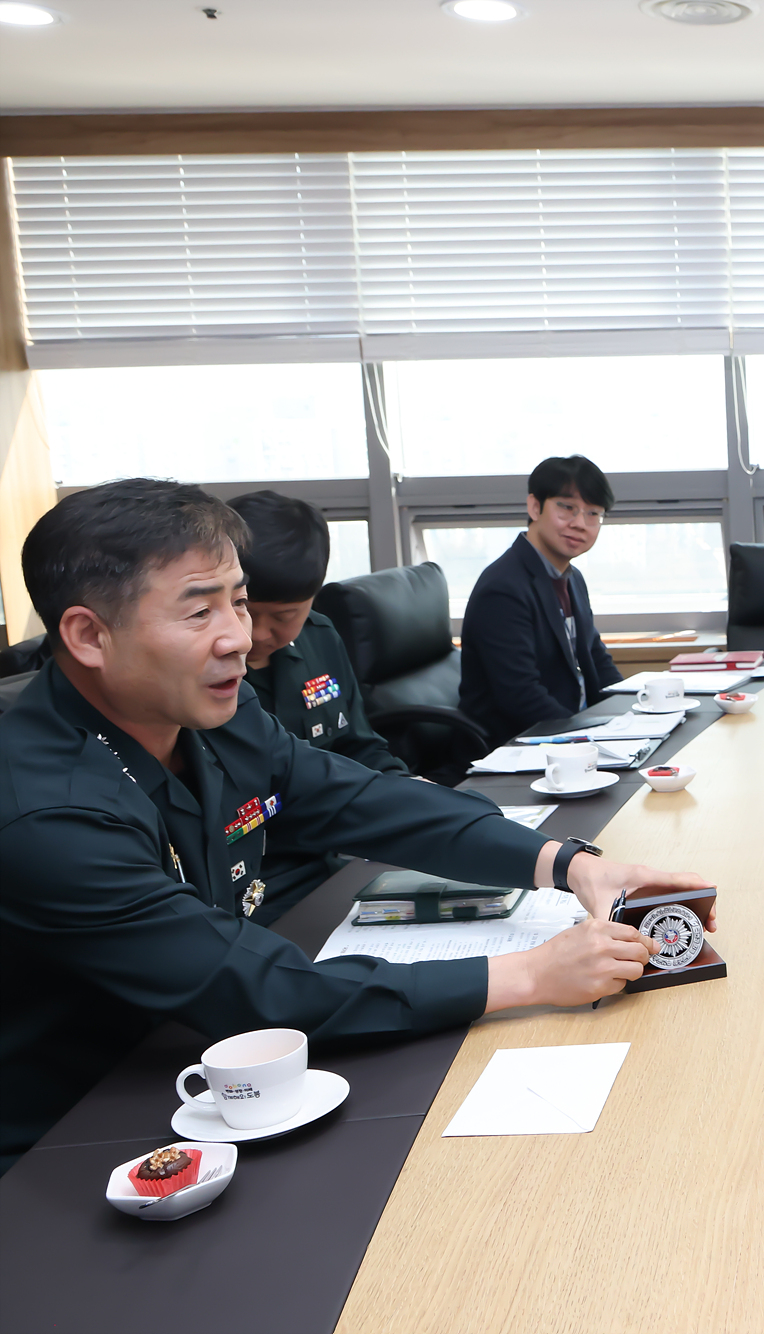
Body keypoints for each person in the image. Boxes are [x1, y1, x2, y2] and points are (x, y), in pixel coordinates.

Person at [0, 479, 714, 1176]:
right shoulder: (46, 812)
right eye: (198, 613)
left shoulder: (215, 710)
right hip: (75, 1137)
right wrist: (530, 973)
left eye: (239, 602)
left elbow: (362, 800)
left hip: (207, 1065)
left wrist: (570, 864)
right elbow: (256, 989)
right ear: (89, 635)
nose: (238, 640)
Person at [229, 490, 415, 920]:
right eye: (245, 609)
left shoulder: (319, 637)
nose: (257, 634)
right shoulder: (204, 668)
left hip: (336, 863)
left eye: (285, 615)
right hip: (258, 884)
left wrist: (405, 792)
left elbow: (358, 745)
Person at [459, 455, 625, 744]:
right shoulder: (503, 588)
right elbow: (520, 696)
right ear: (534, 507)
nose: (580, 524)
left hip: (570, 734)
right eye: (567, 508)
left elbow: (597, 659)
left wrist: (633, 715)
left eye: (593, 514)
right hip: (519, 746)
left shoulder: (571, 578)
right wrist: (589, 738)